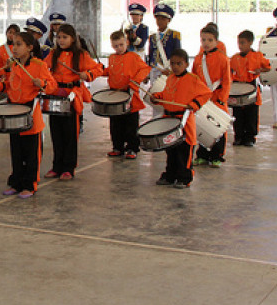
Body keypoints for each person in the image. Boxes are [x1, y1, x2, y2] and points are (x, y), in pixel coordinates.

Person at [0, 31, 56, 198]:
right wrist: (1, 87)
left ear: (29, 47)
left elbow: (52, 86)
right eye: (14, 44)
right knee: (16, 151)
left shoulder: (39, 65)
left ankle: (30, 184)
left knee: (31, 153)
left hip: (30, 114)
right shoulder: (13, 65)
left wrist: (42, 83)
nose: (14, 48)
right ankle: (16, 182)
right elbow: (11, 86)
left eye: (19, 44)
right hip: (14, 113)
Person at [44, 24, 103, 179]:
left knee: (70, 134)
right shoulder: (53, 54)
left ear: (72, 38)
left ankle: (68, 168)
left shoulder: (81, 55)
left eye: (65, 37)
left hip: (72, 96)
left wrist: (87, 74)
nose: (61, 40)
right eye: (59, 37)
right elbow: (43, 67)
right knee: (56, 132)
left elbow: (98, 69)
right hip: (56, 96)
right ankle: (56, 166)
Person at [149, 49, 212, 188]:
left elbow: (206, 93)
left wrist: (194, 104)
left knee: (184, 151)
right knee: (171, 151)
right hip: (169, 120)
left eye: (179, 63)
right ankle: (170, 175)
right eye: (173, 64)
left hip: (184, 121)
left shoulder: (193, 80)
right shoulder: (170, 78)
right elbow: (166, 95)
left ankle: (184, 178)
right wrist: (157, 98)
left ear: (186, 64)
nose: (175, 67)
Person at [103, 29, 151, 159]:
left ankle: (132, 148)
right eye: (115, 46)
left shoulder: (134, 57)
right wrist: (101, 71)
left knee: (131, 124)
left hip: (129, 94)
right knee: (115, 123)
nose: (118, 48)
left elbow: (145, 68)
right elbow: (111, 71)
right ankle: (117, 147)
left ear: (126, 43)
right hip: (115, 95)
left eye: (121, 45)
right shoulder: (111, 58)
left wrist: (135, 82)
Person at [192, 23, 232, 168]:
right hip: (202, 99)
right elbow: (194, 78)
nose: (206, 43)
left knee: (217, 128)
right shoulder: (198, 59)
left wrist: (222, 99)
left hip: (217, 99)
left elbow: (227, 81)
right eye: (203, 40)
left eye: (209, 40)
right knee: (202, 127)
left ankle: (217, 156)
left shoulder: (223, 59)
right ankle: (202, 155)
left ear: (216, 41)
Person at [230, 30, 271, 147]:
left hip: (252, 87)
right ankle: (238, 136)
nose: (240, 46)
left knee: (251, 115)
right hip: (238, 89)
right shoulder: (234, 58)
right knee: (238, 115)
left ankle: (250, 137)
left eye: (243, 43)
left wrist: (260, 70)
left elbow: (268, 67)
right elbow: (228, 70)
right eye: (239, 43)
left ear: (250, 42)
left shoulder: (258, 56)